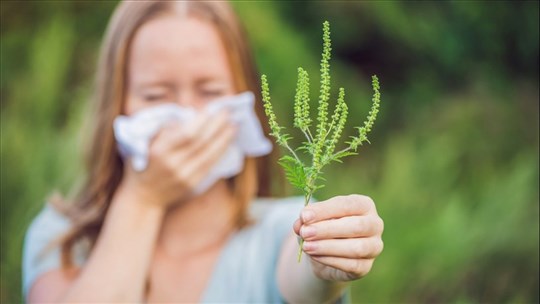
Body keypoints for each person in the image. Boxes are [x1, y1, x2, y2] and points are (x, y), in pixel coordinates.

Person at [22, 1, 384, 303]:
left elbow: (305, 273)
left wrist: (329, 262)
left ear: (246, 98)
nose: (189, 118)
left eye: (209, 91)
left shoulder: (281, 230)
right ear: (116, 104)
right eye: (156, 96)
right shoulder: (61, 238)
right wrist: (143, 198)